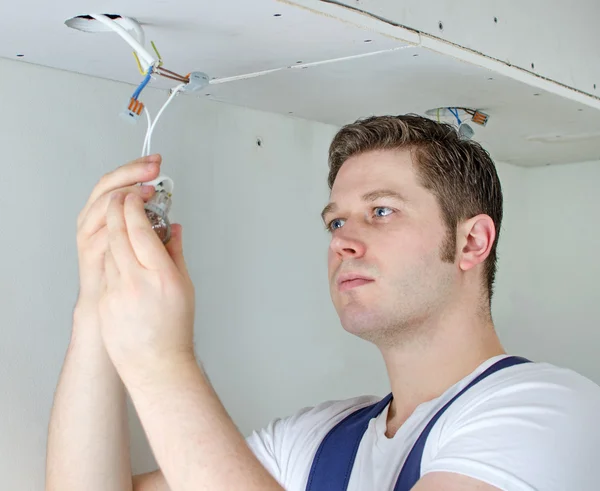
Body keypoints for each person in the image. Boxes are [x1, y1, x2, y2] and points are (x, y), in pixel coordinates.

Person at [45, 114, 600, 491]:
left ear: (472, 242)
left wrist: (162, 362)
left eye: (381, 211)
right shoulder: (317, 440)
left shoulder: (551, 411)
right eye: (336, 220)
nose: (342, 240)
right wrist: (98, 306)